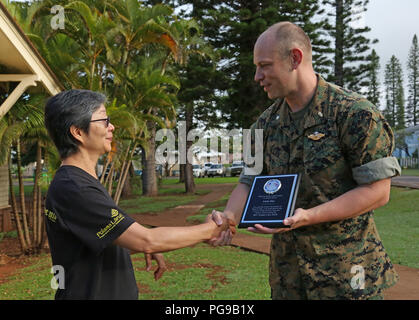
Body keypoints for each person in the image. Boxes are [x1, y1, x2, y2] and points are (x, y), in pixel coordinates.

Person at [211, 21, 401, 300]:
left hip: (347, 275)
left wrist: (309, 216)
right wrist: (228, 217)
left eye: (264, 65)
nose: (257, 76)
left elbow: (377, 192)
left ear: (294, 58)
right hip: (289, 278)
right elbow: (249, 182)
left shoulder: (354, 114)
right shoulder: (264, 125)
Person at [44, 89, 229, 300]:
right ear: (77, 132)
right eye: (104, 121)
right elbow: (147, 239)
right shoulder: (76, 188)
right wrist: (211, 229)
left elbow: (95, 244)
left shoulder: (76, 181)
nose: (111, 127)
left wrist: (135, 246)